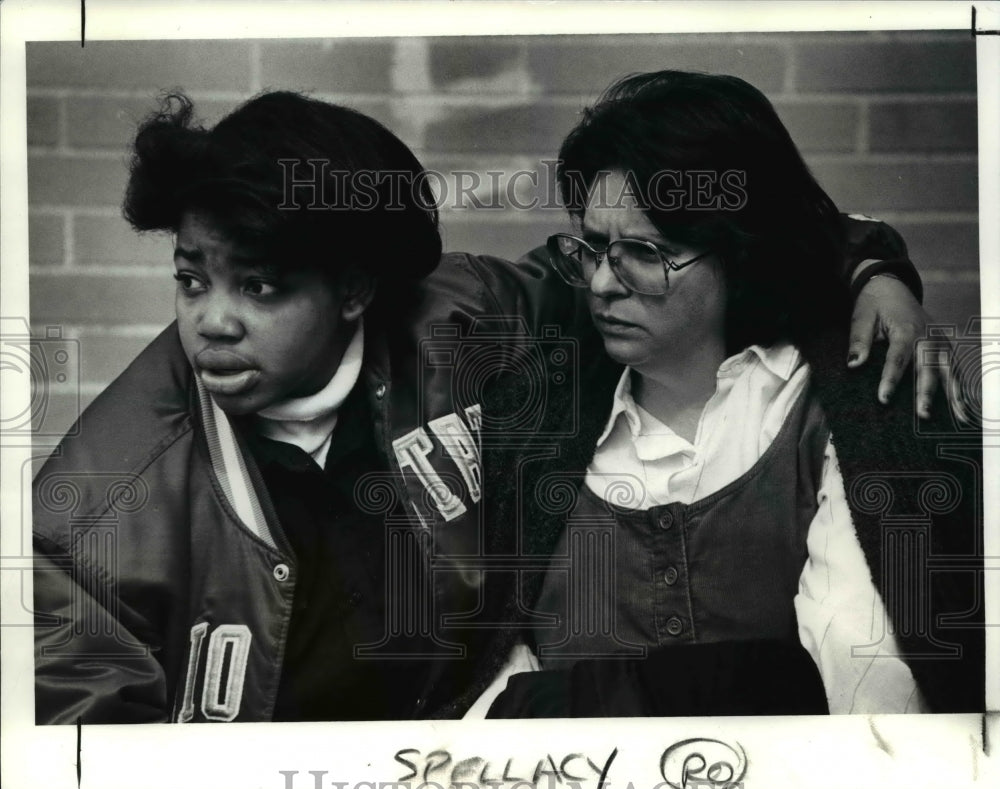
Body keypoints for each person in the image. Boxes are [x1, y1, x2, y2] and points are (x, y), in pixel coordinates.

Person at [32, 86, 945, 723]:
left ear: (355, 289)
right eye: (191, 280)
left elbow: (721, 235)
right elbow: (72, 749)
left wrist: (870, 266)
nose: (212, 324)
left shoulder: (470, 321)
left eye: (261, 287)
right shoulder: (95, 506)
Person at [479, 71, 983, 718]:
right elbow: (492, 698)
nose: (603, 282)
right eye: (594, 246)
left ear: (739, 254)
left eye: (646, 251)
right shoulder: (536, 417)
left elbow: (868, 691)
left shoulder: (837, 407)